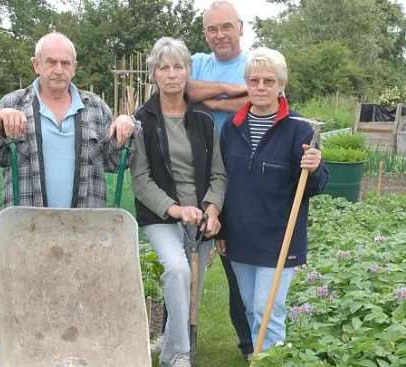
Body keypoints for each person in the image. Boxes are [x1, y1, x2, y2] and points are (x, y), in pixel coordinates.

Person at [217, 47, 329, 352]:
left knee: (270, 313)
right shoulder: (232, 128)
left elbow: (316, 185)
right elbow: (223, 182)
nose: (261, 87)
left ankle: (270, 359)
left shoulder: (300, 130)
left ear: (281, 85)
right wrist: (223, 230)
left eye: (269, 81)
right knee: (252, 310)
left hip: (280, 238)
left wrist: (315, 168)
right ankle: (262, 356)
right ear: (247, 84)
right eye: (255, 81)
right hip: (240, 238)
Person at [130, 37, 227, 367]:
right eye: (164, 67)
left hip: (198, 220)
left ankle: (170, 353)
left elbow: (218, 175)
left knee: (189, 292)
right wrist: (175, 209)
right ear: (154, 74)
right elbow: (141, 180)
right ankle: (182, 356)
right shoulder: (142, 120)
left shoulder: (204, 120)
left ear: (187, 71)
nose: (171, 74)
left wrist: (212, 209)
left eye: (178, 66)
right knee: (176, 270)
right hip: (161, 216)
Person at [0, 32, 135, 208]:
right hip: (27, 226)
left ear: (74, 67)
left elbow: (114, 163)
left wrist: (124, 131)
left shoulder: (95, 106)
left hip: (85, 225)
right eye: (51, 62)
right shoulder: (13, 104)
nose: (58, 70)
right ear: (36, 64)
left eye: (65, 63)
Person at [187, 0, 253, 359]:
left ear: (240, 27)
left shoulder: (255, 64)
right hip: (197, 178)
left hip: (242, 179)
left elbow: (257, 102)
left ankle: (249, 345)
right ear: (205, 33)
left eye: (226, 26)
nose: (219, 35)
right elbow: (186, 91)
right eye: (212, 29)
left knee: (238, 267)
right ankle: (180, 343)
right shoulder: (195, 61)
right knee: (185, 266)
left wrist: (207, 97)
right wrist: (229, 93)